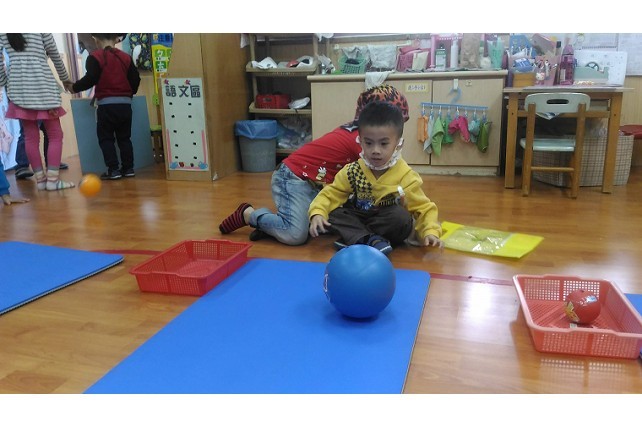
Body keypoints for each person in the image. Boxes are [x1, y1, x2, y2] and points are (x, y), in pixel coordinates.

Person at [218, 84, 410, 246]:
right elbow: (381, 183)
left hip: (319, 183)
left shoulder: (364, 134)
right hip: (293, 177)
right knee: (295, 235)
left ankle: (275, 226)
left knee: (327, 220)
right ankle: (250, 215)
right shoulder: (363, 141)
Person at [308, 101, 443, 256]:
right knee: (333, 213)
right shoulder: (353, 170)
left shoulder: (406, 175)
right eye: (369, 143)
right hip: (358, 217)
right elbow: (331, 193)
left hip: (385, 221)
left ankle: (357, 238)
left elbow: (423, 208)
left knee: (402, 218)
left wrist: (430, 231)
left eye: (384, 143)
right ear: (360, 140)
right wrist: (318, 212)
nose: (375, 150)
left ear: (398, 143)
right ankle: (370, 240)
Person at [0, 33, 74, 191]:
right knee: (55, 134)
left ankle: (40, 181)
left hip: (18, 87)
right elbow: (53, 52)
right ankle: (53, 181)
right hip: (42, 84)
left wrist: (4, 81)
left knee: (30, 136)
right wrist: (65, 78)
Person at [66, 33, 140, 180]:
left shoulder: (95, 57)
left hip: (106, 106)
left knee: (106, 138)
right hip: (125, 106)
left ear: (95, 39)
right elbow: (135, 80)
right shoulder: (126, 57)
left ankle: (113, 170)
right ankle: (128, 168)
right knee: (125, 138)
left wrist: (74, 87)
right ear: (116, 39)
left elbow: (90, 79)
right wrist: (127, 94)